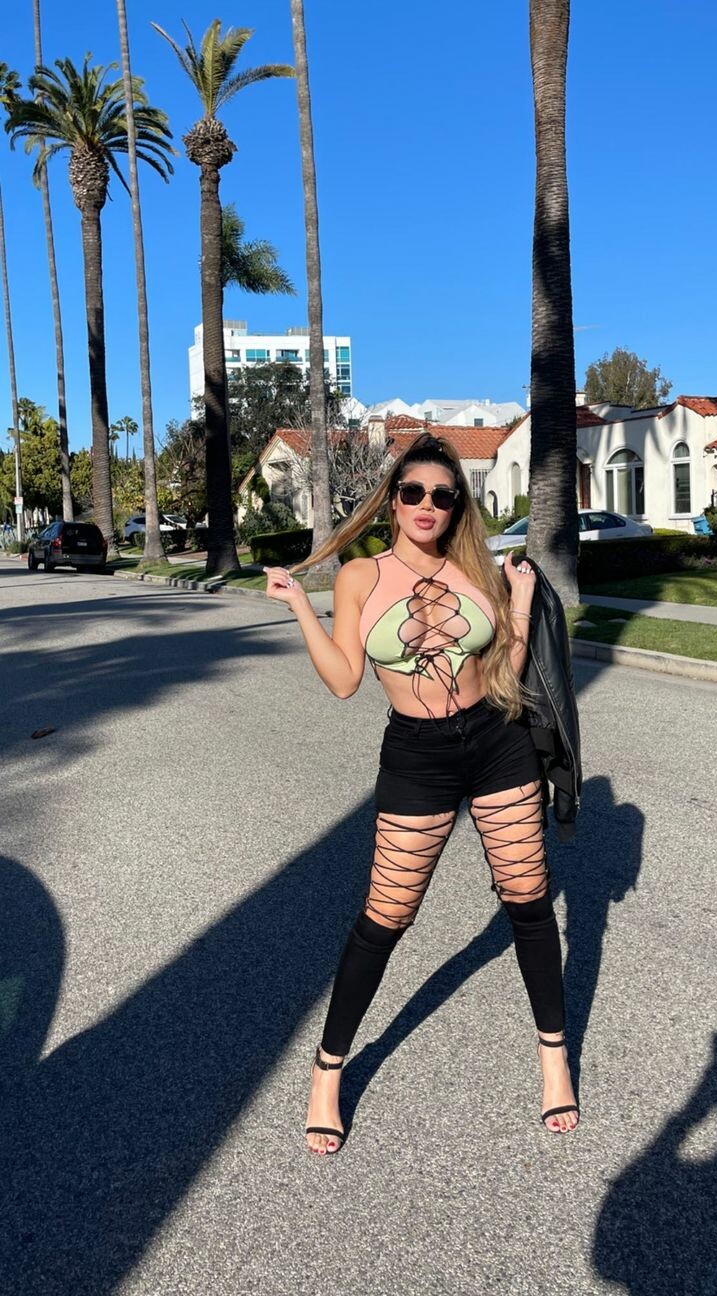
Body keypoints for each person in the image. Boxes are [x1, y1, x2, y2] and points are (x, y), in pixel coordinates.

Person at [264, 432, 579, 1156]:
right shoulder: (360, 577)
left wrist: (520, 601)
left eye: (443, 494)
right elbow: (345, 681)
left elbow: (507, 672)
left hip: (497, 743)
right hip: (417, 756)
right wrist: (300, 606)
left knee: (528, 902)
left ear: (457, 504)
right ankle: (327, 1072)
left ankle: (554, 1061)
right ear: (393, 501)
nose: (427, 505)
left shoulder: (478, 570)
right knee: (387, 915)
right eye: (413, 492)